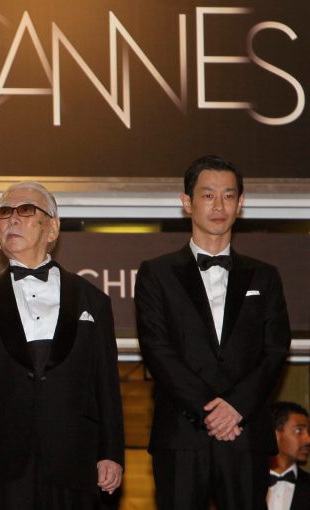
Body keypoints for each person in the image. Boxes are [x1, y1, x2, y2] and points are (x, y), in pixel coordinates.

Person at [0, 181, 125, 509]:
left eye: (26, 210)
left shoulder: (94, 300)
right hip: (1, 467)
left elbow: (106, 384)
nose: (12, 220)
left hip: (75, 462)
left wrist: (111, 453)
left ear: (53, 227)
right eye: (4, 213)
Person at [135, 155, 292, 510]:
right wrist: (210, 412)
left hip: (245, 432)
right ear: (187, 203)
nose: (218, 205)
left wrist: (235, 407)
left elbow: (275, 349)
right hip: (180, 435)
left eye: (228, 195)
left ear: (241, 203)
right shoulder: (156, 274)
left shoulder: (264, 276)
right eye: (207, 195)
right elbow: (157, 350)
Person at [267, 401, 310, 510]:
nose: (308, 440)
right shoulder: (245, 484)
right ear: (275, 436)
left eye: (308, 432)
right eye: (299, 430)